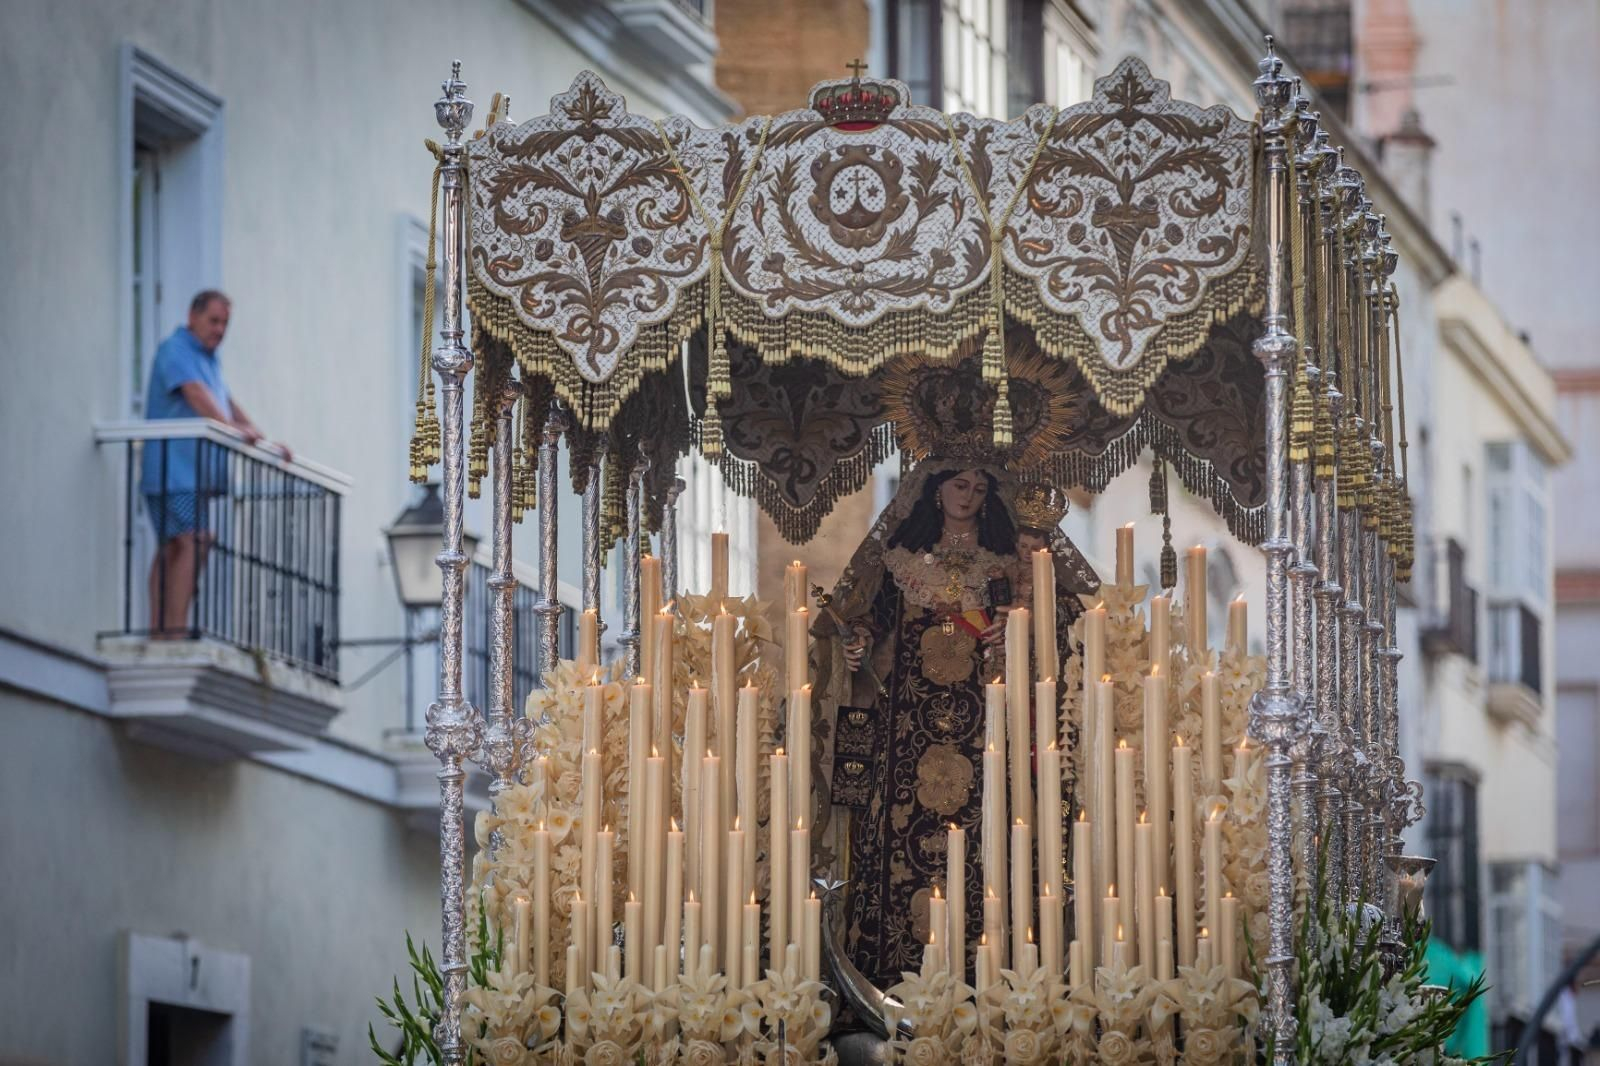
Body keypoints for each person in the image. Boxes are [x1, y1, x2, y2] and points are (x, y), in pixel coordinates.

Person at [810, 458, 1098, 986]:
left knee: (987, 842)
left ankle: (986, 971)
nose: (968, 494)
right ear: (935, 491)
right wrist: (856, 645)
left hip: (984, 736)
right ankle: (892, 972)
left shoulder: (1009, 568)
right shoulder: (898, 564)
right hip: (904, 742)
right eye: (959, 483)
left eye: (979, 486)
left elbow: (1068, 635)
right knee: (898, 844)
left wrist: (1022, 624)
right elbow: (862, 624)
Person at [141, 290, 288, 637]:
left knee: (173, 545)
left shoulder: (208, 360)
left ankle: (161, 629)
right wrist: (233, 428)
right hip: (171, 472)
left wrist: (263, 440)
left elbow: (225, 401)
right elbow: (196, 394)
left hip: (188, 475)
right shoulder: (175, 350)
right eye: (214, 321)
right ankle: (172, 631)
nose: (220, 330)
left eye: (225, 323)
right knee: (194, 540)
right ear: (192, 316)